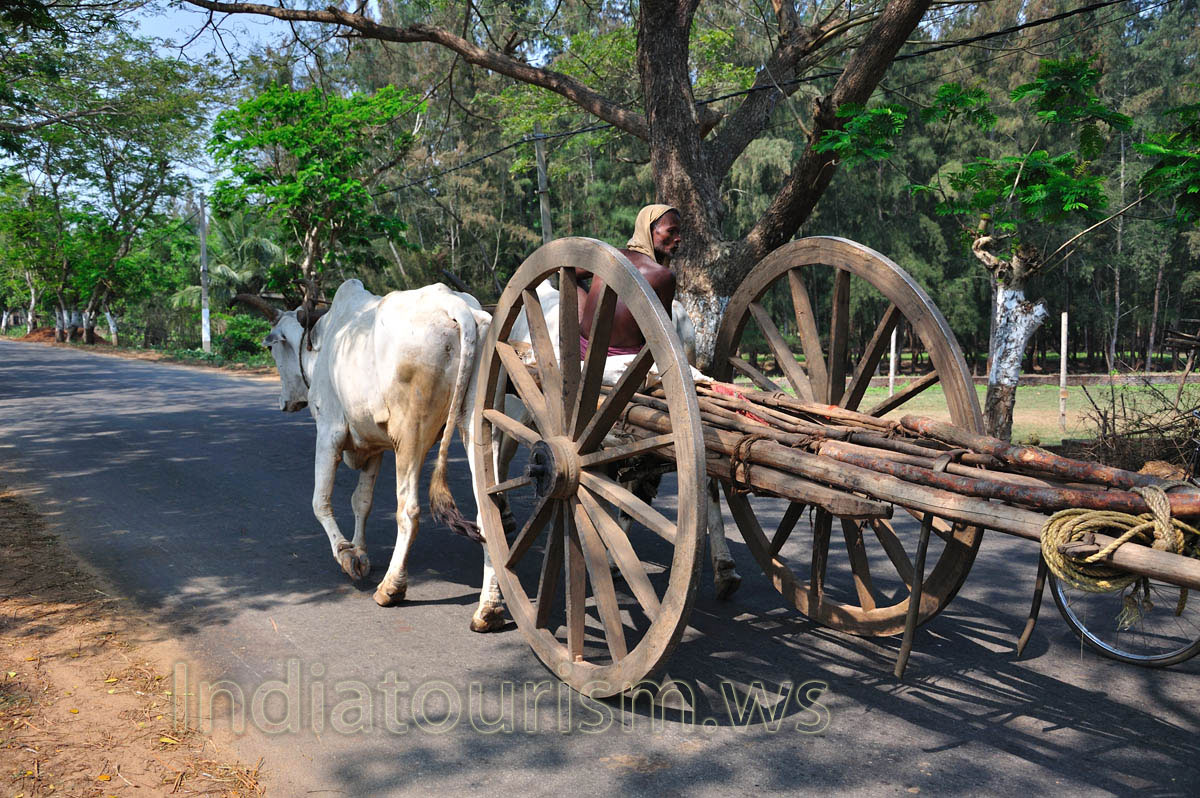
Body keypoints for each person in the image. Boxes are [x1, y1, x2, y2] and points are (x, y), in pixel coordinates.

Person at [579, 204, 682, 357]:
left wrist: (585, 308)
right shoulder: (663, 276)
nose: (678, 239)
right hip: (626, 362)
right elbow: (663, 336)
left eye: (679, 233)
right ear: (649, 230)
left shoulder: (608, 256)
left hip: (582, 349)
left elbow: (569, 272)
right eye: (671, 231)